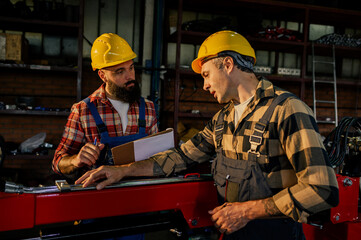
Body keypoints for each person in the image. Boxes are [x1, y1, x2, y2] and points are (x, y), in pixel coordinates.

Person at [75, 30, 339, 239]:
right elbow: (178, 157)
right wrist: (123, 171)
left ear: (227, 64)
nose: (204, 85)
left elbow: (322, 189)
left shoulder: (287, 110)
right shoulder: (223, 120)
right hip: (233, 232)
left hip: (276, 234)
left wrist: (247, 211)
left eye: (206, 75)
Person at [52, 33, 158, 181]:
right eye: (120, 71)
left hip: (140, 194)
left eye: (131, 68)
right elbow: (57, 163)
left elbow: (158, 158)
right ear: (102, 75)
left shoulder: (148, 108)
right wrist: (75, 160)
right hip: (100, 197)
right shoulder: (83, 111)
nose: (130, 76)